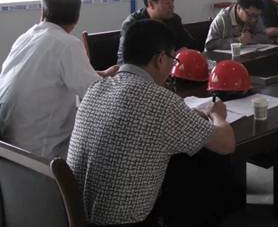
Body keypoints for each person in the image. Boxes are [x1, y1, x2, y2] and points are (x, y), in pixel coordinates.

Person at [67, 19, 235, 227]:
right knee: (198, 172)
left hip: (76, 216)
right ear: (160, 59)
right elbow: (226, 144)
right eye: (173, 60)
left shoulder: (96, 88)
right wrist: (217, 115)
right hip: (125, 222)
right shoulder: (160, 101)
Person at [0, 0, 117, 158]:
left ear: (42, 13)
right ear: (76, 18)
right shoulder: (67, 44)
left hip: (8, 145)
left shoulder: (25, 38)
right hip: (39, 152)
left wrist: (102, 75)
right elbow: (96, 95)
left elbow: (52, 78)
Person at [117, 0, 194, 64]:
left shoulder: (174, 20)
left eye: (172, 0)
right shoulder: (132, 25)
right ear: (151, 4)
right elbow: (125, 62)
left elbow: (188, 45)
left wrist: (184, 51)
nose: (172, 6)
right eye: (167, 2)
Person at [205, 0, 271, 50]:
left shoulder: (255, 16)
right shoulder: (222, 19)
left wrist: (250, 38)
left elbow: (265, 37)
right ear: (239, 8)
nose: (253, 20)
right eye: (250, 15)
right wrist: (238, 40)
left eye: (256, 16)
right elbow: (210, 45)